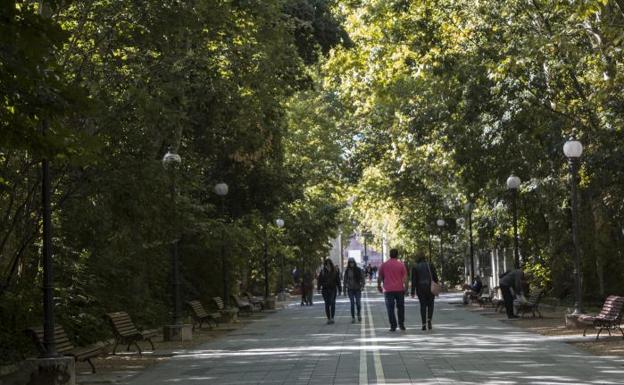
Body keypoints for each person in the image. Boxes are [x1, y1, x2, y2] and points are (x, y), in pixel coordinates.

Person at [377, 248, 408, 331]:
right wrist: (406, 287)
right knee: (400, 307)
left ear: (390, 255)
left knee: (390, 308)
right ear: (397, 255)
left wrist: (379, 285)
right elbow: (405, 278)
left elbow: (380, 277)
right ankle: (401, 324)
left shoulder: (384, 265)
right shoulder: (401, 265)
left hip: (388, 290)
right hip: (399, 289)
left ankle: (393, 325)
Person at [411, 252, 439, 330]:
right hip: (430, 287)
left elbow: (414, 280)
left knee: (422, 305)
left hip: (420, 288)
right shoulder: (430, 265)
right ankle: (429, 320)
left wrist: (412, 292)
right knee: (431, 304)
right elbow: (435, 277)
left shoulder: (415, 266)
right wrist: (436, 285)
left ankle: (423, 324)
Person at [317, 259, 341, 324]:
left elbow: (338, 281)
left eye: (329, 264)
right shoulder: (322, 272)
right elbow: (319, 280)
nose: (328, 265)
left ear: (331, 264)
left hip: (333, 289)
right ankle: (328, 318)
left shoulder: (335, 271)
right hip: (325, 289)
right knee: (327, 303)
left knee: (332, 302)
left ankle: (332, 317)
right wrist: (318, 288)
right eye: (326, 264)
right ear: (325, 265)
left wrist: (340, 289)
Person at [343, 257, 365, 323]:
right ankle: (353, 317)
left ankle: (358, 314)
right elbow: (345, 281)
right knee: (352, 303)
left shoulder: (358, 270)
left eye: (352, 262)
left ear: (354, 263)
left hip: (357, 289)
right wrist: (344, 290)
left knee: (358, 303)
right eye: (350, 263)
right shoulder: (347, 271)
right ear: (349, 263)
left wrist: (362, 286)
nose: (351, 264)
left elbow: (362, 278)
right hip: (350, 289)